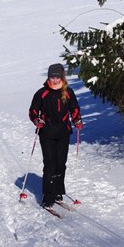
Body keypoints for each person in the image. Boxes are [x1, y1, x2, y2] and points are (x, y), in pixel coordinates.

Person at [28, 63, 83, 209]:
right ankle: (48, 196)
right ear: (48, 77)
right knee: (50, 164)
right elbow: (33, 111)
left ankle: (58, 192)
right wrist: (36, 120)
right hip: (46, 133)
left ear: (62, 77)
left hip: (63, 132)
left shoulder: (68, 92)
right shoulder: (42, 93)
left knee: (61, 164)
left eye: (58, 77)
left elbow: (75, 109)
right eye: (52, 77)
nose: (55, 80)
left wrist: (77, 120)